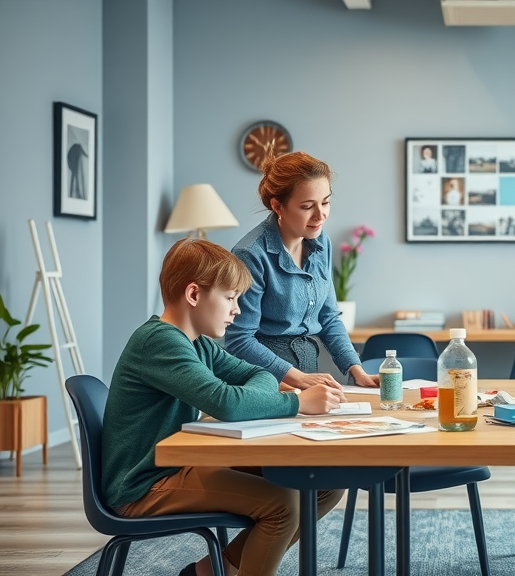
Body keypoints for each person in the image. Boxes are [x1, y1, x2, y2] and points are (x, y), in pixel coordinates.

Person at [103, 238, 344, 576]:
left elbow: (256, 373)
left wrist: (259, 392)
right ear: (193, 295)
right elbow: (227, 403)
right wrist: (297, 401)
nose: (237, 309)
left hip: (178, 466)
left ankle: (212, 571)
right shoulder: (160, 342)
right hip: (143, 485)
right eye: (230, 298)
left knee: (326, 482)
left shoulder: (198, 343)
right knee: (283, 506)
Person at [224, 151, 378, 392]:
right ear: (278, 206)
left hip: (307, 374)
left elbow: (328, 317)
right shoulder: (250, 254)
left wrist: (356, 369)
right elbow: (239, 339)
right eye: (307, 206)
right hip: (264, 381)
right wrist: (298, 379)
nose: (320, 215)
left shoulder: (321, 242)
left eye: (325, 202)